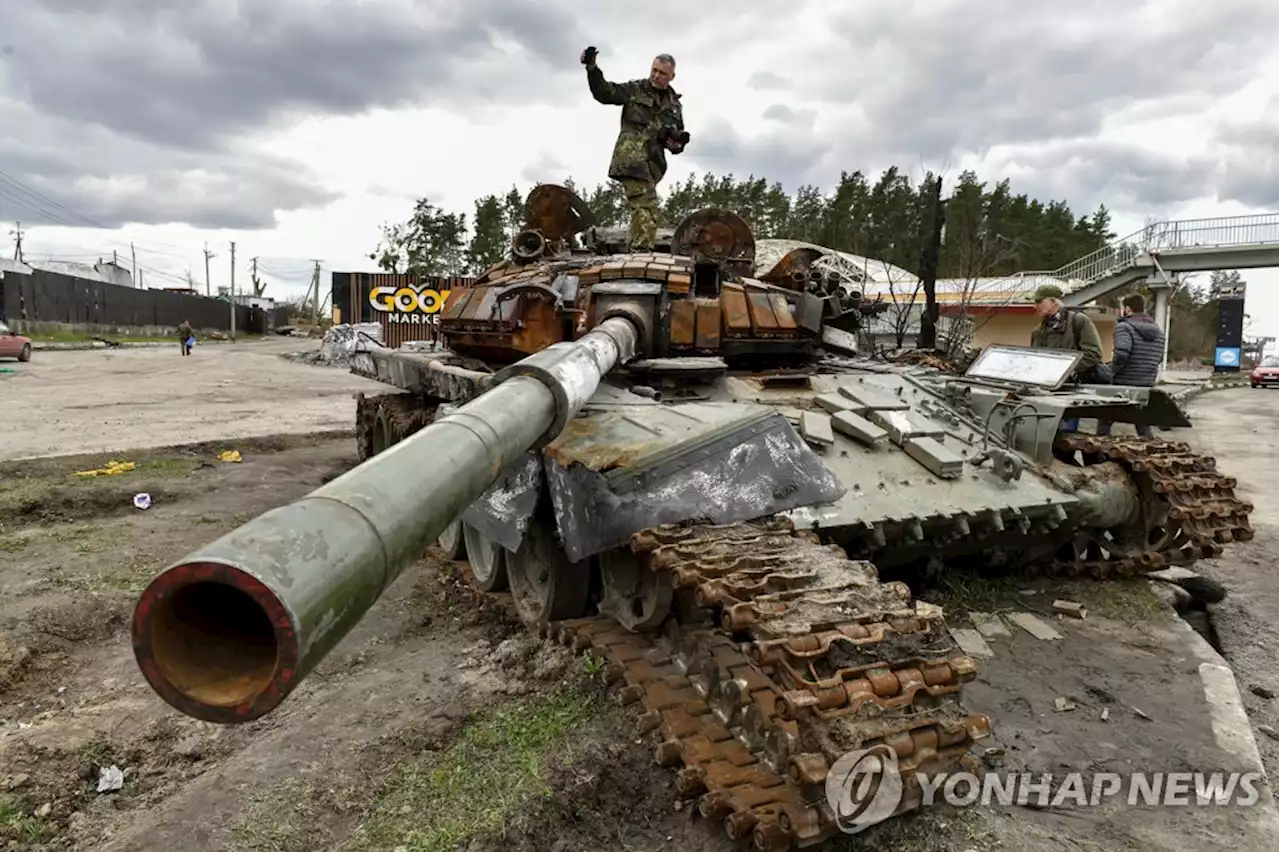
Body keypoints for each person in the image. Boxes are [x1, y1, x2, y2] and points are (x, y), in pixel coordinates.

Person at [581, 46, 687, 251]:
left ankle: (633, 250)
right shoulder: (635, 89)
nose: (656, 76)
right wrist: (592, 68)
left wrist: (674, 142)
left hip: (652, 165)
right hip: (631, 158)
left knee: (642, 211)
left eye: (662, 73)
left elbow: (677, 138)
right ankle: (640, 254)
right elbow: (604, 93)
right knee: (647, 207)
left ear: (672, 76)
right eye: (654, 70)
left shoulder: (674, 106)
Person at [1029, 284, 1108, 432]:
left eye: (1039, 301)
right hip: (1043, 394)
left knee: (1064, 439)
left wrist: (1064, 372)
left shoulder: (1079, 322)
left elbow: (1093, 355)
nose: (1035, 306)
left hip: (1068, 393)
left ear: (1054, 301)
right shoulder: (1038, 331)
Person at [1096, 293, 1165, 438]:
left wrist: (1110, 371)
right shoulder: (1158, 331)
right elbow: (1158, 358)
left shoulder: (1124, 327)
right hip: (1145, 385)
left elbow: (1121, 354)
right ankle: (1150, 455)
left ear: (1127, 309)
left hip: (1122, 385)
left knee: (1104, 423)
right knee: (1143, 426)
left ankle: (1098, 457)